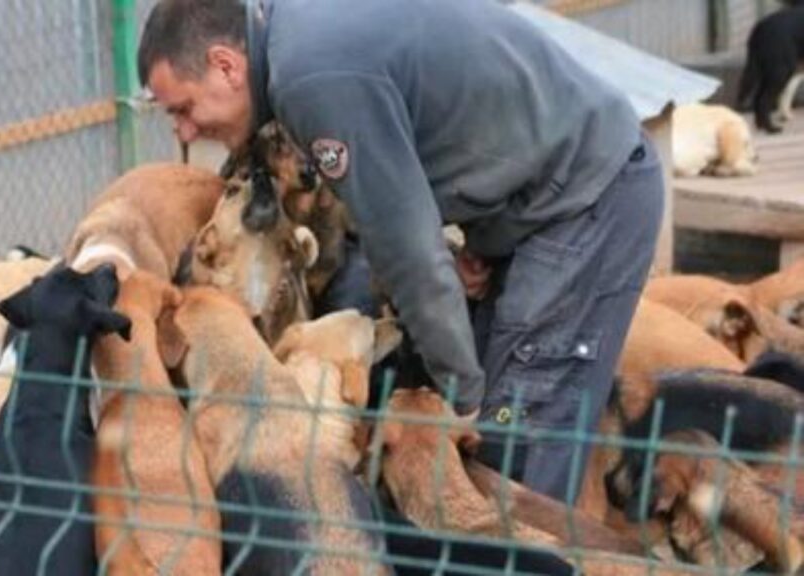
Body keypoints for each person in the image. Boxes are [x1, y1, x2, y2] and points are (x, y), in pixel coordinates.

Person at [138, 0, 663, 501]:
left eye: (182, 109)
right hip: (543, 198)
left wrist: (462, 396)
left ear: (226, 65)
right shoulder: (294, 33)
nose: (185, 131)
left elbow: (406, 251)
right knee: (493, 424)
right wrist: (484, 236)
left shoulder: (311, 78)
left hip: (586, 201)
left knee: (517, 442)